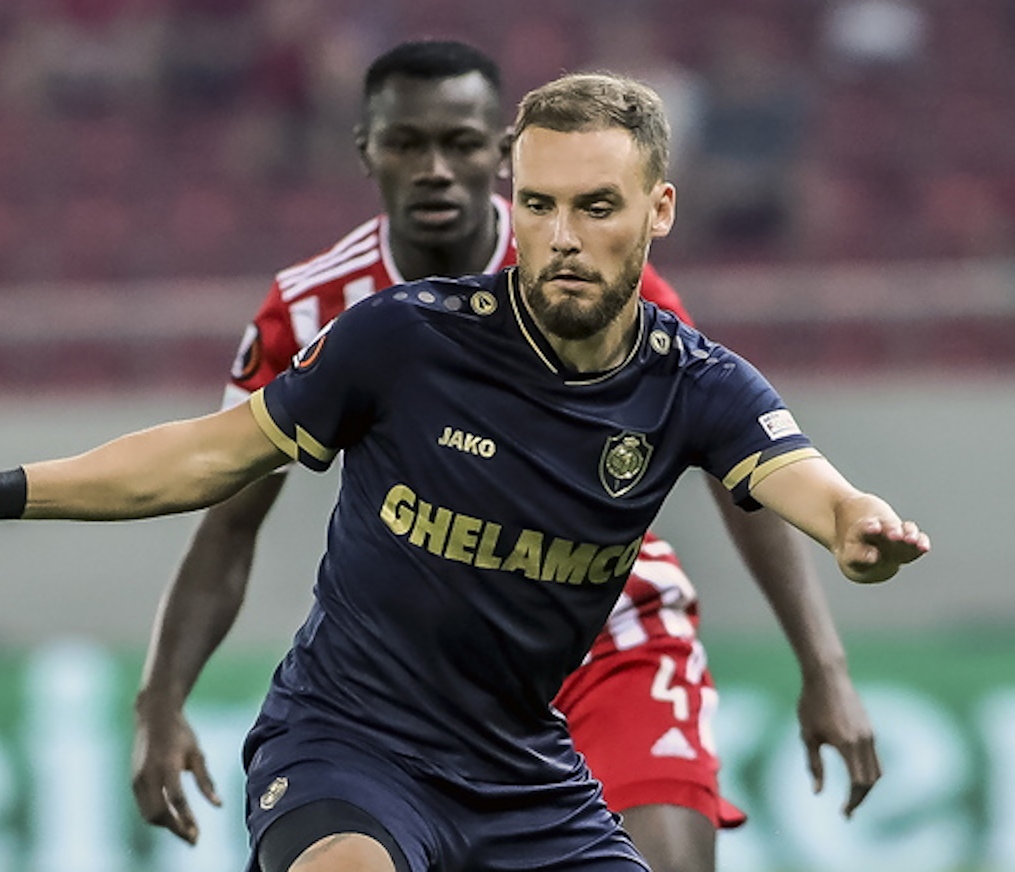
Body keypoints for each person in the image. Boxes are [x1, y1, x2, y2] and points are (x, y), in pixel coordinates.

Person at [0, 72, 930, 872]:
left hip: (523, 770)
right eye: (541, 204)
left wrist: (854, 527)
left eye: (597, 208)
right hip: (348, 741)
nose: (561, 237)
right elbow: (205, 456)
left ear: (658, 212)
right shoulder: (401, 339)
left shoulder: (697, 382)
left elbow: (801, 479)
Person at [131, 40, 880, 872]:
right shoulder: (316, 307)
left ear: (500, 156)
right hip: (428, 661)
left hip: (610, 631)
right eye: (407, 144)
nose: (436, 170)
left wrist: (825, 667)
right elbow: (227, 518)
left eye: (461, 145)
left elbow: (744, 473)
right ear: (366, 151)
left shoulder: (603, 282)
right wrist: (160, 702)